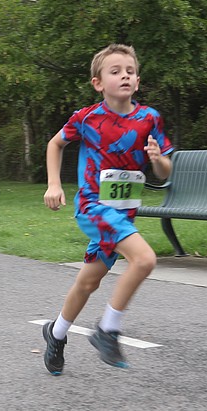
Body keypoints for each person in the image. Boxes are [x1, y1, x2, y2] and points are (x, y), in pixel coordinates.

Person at [41, 43, 174, 374]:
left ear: (138, 81)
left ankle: (55, 334)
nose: (124, 76)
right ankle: (108, 330)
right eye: (115, 72)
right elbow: (55, 144)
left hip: (123, 212)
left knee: (89, 282)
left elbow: (165, 172)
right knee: (144, 259)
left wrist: (158, 160)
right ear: (98, 83)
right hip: (93, 206)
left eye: (129, 71)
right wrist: (54, 184)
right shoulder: (87, 118)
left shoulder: (149, 119)